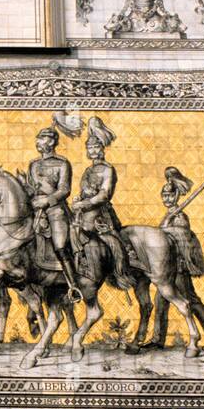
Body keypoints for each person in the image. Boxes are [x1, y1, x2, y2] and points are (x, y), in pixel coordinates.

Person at [144, 166, 204, 350]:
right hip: (165, 268)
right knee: (161, 303)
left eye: (170, 196)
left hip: (178, 267)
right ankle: (157, 340)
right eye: (164, 196)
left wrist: (166, 229)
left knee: (191, 300)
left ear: (177, 196)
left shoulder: (180, 216)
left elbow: (184, 237)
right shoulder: (168, 216)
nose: (167, 199)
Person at [71, 116, 138, 289]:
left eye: (96, 147)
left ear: (102, 148)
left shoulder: (108, 169)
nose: (93, 151)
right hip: (83, 212)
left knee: (109, 239)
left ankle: (119, 270)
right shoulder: (88, 170)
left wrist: (85, 204)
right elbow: (83, 191)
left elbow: (104, 195)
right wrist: (78, 199)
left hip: (101, 214)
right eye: (90, 147)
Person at [27, 122, 80, 299]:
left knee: (59, 245)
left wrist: (46, 201)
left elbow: (64, 190)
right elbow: (30, 187)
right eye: (38, 138)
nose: (38, 141)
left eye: (42, 138)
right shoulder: (33, 164)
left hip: (55, 209)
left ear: (51, 142)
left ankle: (73, 285)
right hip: (35, 208)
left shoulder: (62, 163)